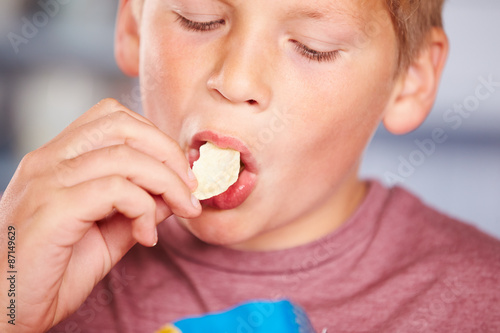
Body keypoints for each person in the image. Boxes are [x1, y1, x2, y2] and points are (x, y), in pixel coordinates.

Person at [1, 0, 499, 332]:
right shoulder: (30, 264)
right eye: (199, 19)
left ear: (409, 80)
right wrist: (9, 300)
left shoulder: (479, 302)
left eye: (313, 47)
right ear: (133, 24)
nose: (235, 80)